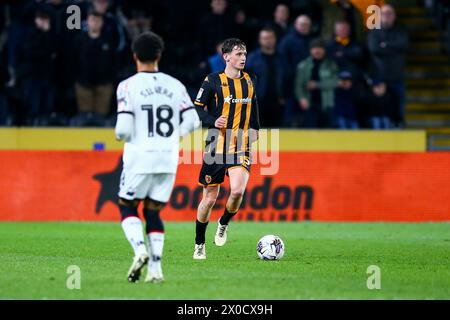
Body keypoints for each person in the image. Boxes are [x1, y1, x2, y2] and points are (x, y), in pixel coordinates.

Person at [114, 32, 200, 283]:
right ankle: (156, 270)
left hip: (139, 157)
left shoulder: (128, 86)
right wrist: (175, 135)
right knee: (154, 212)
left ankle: (140, 251)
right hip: (167, 157)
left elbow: (123, 129)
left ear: (135, 56)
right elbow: (193, 120)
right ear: (159, 56)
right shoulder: (175, 85)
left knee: (127, 206)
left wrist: (122, 136)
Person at [193, 38, 260, 259]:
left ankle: (223, 223)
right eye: (238, 54)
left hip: (240, 143)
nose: (243, 58)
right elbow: (197, 110)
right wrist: (213, 121)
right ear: (226, 57)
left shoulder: (250, 81)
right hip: (215, 143)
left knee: (238, 190)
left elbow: (254, 108)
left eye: (244, 54)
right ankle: (199, 243)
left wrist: (256, 130)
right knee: (210, 199)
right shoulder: (212, 80)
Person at [367, 4, 408, 127]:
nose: (387, 16)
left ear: (394, 16)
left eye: (389, 13)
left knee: (398, 109)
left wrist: (384, 46)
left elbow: (403, 45)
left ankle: (399, 130)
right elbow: (374, 49)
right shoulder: (374, 33)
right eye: (384, 13)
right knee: (379, 110)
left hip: (397, 77)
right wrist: (393, 47)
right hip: (379, 78)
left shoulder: (401, 32)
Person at [246, 27, 287, 127]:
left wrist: (285, 96)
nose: (268, 40)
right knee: (258, 134)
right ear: (260, 40)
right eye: (265, 38)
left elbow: (288, 78)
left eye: (270, 37)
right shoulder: (252, 58)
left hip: (278, 102)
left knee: (276, 135)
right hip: (257, 102)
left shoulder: (282, 58)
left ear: (275, 39)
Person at [295, 38, 338, 128]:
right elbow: (298, 85)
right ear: (310, 50)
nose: (317, 51)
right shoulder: (303, 65)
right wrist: (302, 98)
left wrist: (317, 85)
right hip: (310, 104)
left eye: (320, 48)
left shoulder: (331, 64)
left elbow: (335, 82)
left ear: (324, 50)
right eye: (314, 48)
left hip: (327, 104)